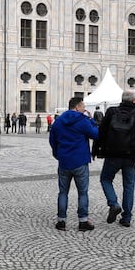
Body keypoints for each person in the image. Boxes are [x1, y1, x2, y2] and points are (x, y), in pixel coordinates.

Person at [93, 90, 135, 228]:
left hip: (113, 154)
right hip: (131, 155)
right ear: (134, 101)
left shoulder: (112, 112)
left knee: (105, 179)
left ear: (122, 99)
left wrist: (97, 149)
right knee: (129, 185)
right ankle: (126, 218)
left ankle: (113, 204)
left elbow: (101, 132)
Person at [49, 97, 99, 231]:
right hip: (80, 161)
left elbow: (52, 140)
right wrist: (92, 120)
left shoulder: (58, 121)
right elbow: (95, 135)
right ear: (77, 107)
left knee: (63, 192)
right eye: (83, 106)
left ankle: (61, 221)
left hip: (64, 161)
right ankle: (83, 221)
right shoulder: (83, 121)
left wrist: (57, 153)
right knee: (82, 192)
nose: (84, 108)